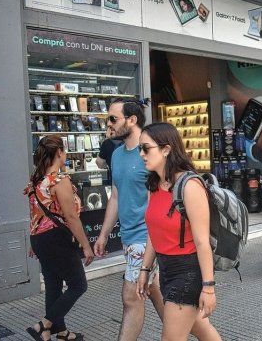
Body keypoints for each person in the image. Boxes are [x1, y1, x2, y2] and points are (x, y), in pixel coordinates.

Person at [136, 123, 221, 341]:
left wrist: (209, 288)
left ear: (166, 149)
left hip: (188, 271)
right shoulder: (154, 185)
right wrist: (145, 269)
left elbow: (202, 242)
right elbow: (153, 233)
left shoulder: (190, 186)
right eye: (140, 149)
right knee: (201, 329)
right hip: (166, 269)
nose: (142, 154)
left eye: (146, 148)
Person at [93, 99, 165, 340]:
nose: (109, 124)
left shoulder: (149, 153)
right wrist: (103, 235)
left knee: (131, 297)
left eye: (114, 119)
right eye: (108, 119)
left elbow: (159, 198)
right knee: (153, 289)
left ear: (132, 120)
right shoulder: (116, 155)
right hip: (129, 237)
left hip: (146, 238)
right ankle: (182, 329)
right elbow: (115, 197)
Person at [24, 135, 94, 341]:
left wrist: (34, 243)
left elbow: (35, 213)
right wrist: (85, 245)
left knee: (53, 284)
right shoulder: (59, 180)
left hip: (40, 238)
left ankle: (57, 332)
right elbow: (71, 217)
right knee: (78, 285)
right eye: (64, 151)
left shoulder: (36, 181)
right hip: (57, 238)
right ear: (60, 153)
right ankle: (42, 325)